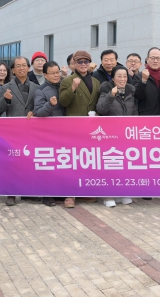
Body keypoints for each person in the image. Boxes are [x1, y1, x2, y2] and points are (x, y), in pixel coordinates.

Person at [59, 50, 101, 208]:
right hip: (74, 127)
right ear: (74, 64)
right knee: (73, 161)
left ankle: (84, 192)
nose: (83, 64)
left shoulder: (96, 82)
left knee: (87, 160)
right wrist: (72, 88)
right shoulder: (68, 80)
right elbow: (63, 102)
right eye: (80, 62)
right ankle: (69, 195)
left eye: (86, 61)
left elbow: (97, 102)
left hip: (91, 127)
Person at [0, 56, 39, 206]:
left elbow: (39, 106)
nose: (21, 68)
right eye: (18, 66)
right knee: (12, 162)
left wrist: (35, 112)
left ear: (28, 68)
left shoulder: (36, 87)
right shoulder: (6, 87)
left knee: (28, 161)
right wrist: (6, 99)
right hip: (13, 132)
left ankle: (27, 192)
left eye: (24, 65)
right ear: (13, 70)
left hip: (31, 131)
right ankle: (11, 193)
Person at [96, 65, 136, 208]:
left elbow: (135, 113)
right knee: (111, 166)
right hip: (110, 136)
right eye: (119, 76)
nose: (122, 79)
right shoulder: (106, 91)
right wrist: (111, 96)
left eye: (125, 76)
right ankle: (108, 196)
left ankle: (123, 193)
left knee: (124, 166)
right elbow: (100, 109)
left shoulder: (131, 93)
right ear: (113, 78)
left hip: (126, 136)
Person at [31, 61, 64, 207]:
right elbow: (38, 112)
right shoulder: (41, 90)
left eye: (58, 72)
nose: (56, 75)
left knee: (62, 163)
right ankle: (47, 194)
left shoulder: (65, 86)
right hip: (49, 134)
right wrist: (50, 104)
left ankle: (60, 192)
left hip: (65, 132)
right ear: (45, 75)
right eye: (53, 73)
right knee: (49, 164)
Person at [135, 47, 160, 116]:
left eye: (158, 58)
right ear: (147, 59)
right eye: (152, 58)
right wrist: (143, 81)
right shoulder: (139, 76)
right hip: (146, 117)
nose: (155, 61)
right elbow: (138, 96)